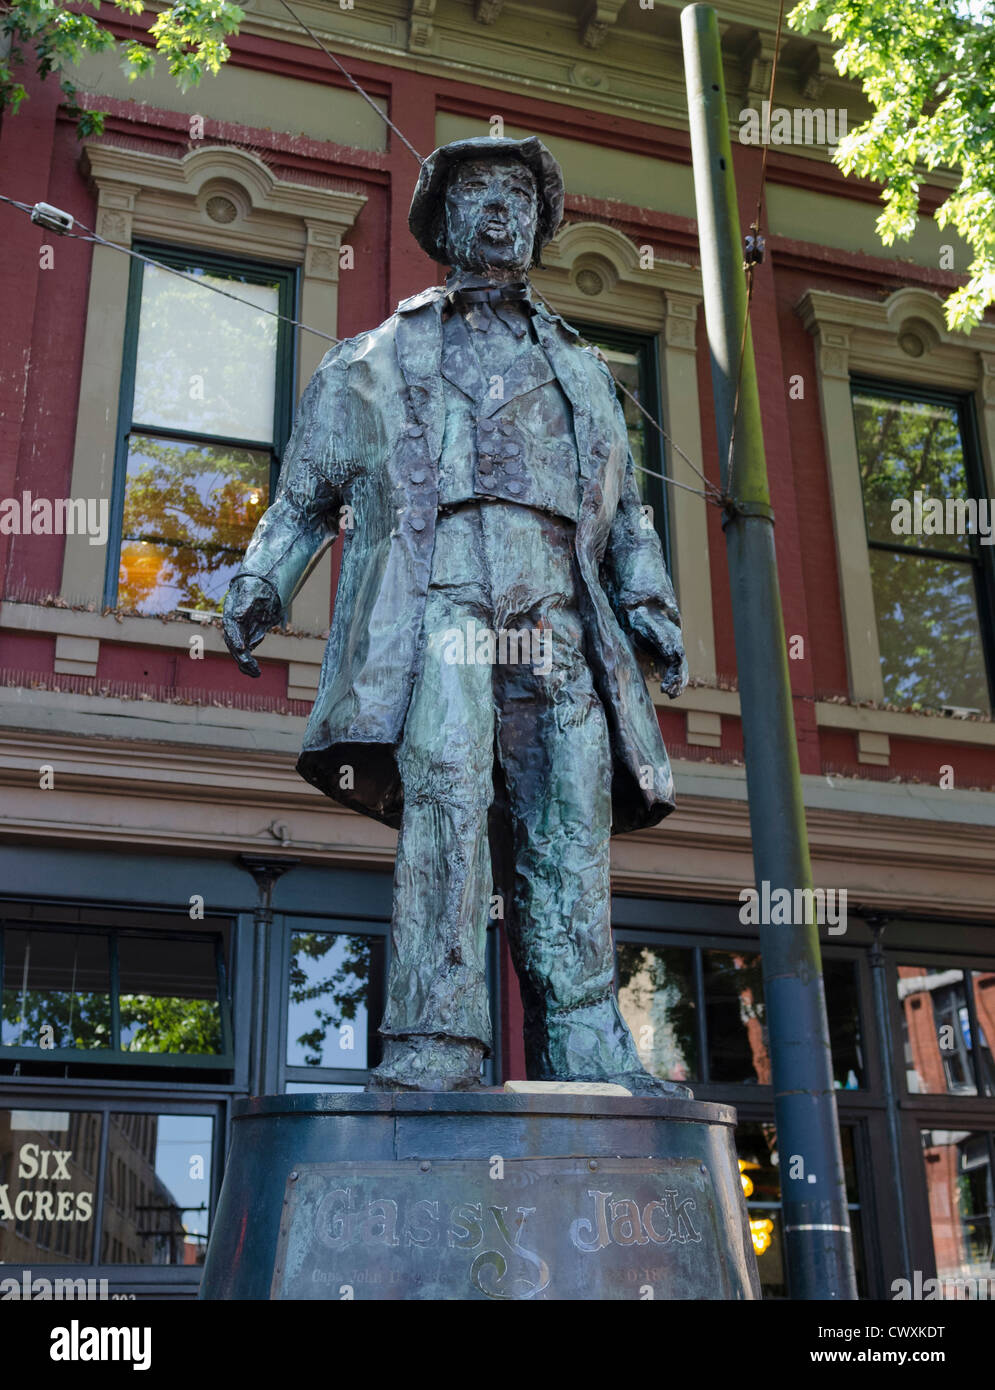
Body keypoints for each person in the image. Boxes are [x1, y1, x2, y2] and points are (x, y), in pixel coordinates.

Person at [222, 135, 690, 1095]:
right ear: (442, 220)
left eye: (517, 194)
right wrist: (261, 582)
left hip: (558, 612)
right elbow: (306, 495)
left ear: (538, 222)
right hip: (443, 608)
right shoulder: (377, 358)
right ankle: (436, 1038)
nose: (499, 208)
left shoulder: (583, 370)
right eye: (477, 190)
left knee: (567, 823)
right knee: (443, 802)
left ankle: (584, 1043)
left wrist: (648, 603)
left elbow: (628, 517)